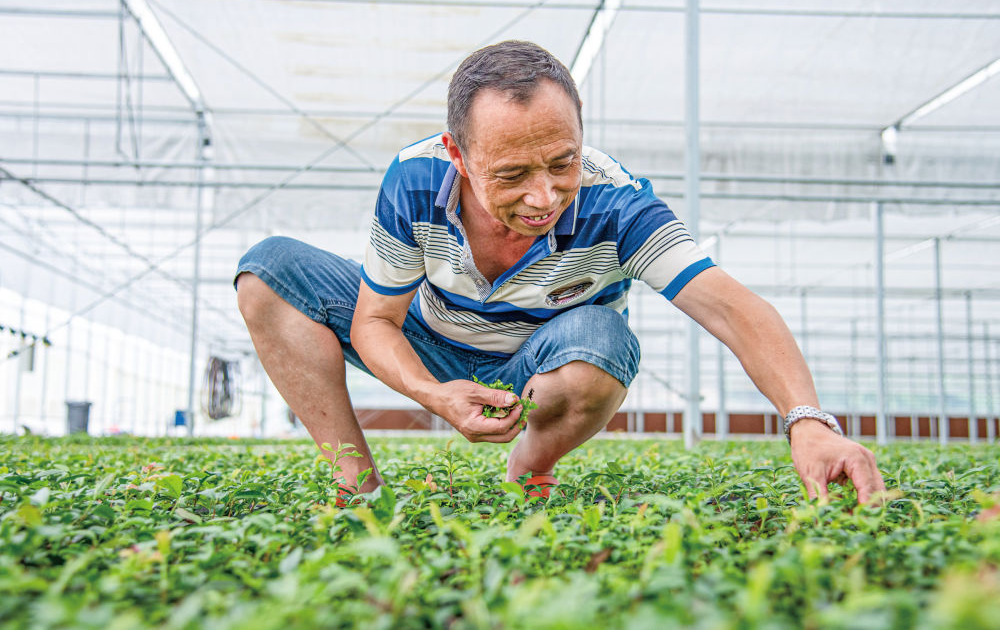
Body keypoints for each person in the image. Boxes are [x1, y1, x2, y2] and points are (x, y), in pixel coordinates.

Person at [235, 40, 885, 504]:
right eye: (512, 173)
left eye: (562, 162)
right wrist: (433, 394)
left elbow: (732, 307)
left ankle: (531, 464)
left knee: (603, 342)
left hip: (544, 359)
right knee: (270, 273)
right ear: (457, 154)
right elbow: (376, 319)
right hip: (430, 341)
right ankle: (358, 485)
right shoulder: (414, 180)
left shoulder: (617, 202)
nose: (544, 197)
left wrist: (809, 421)